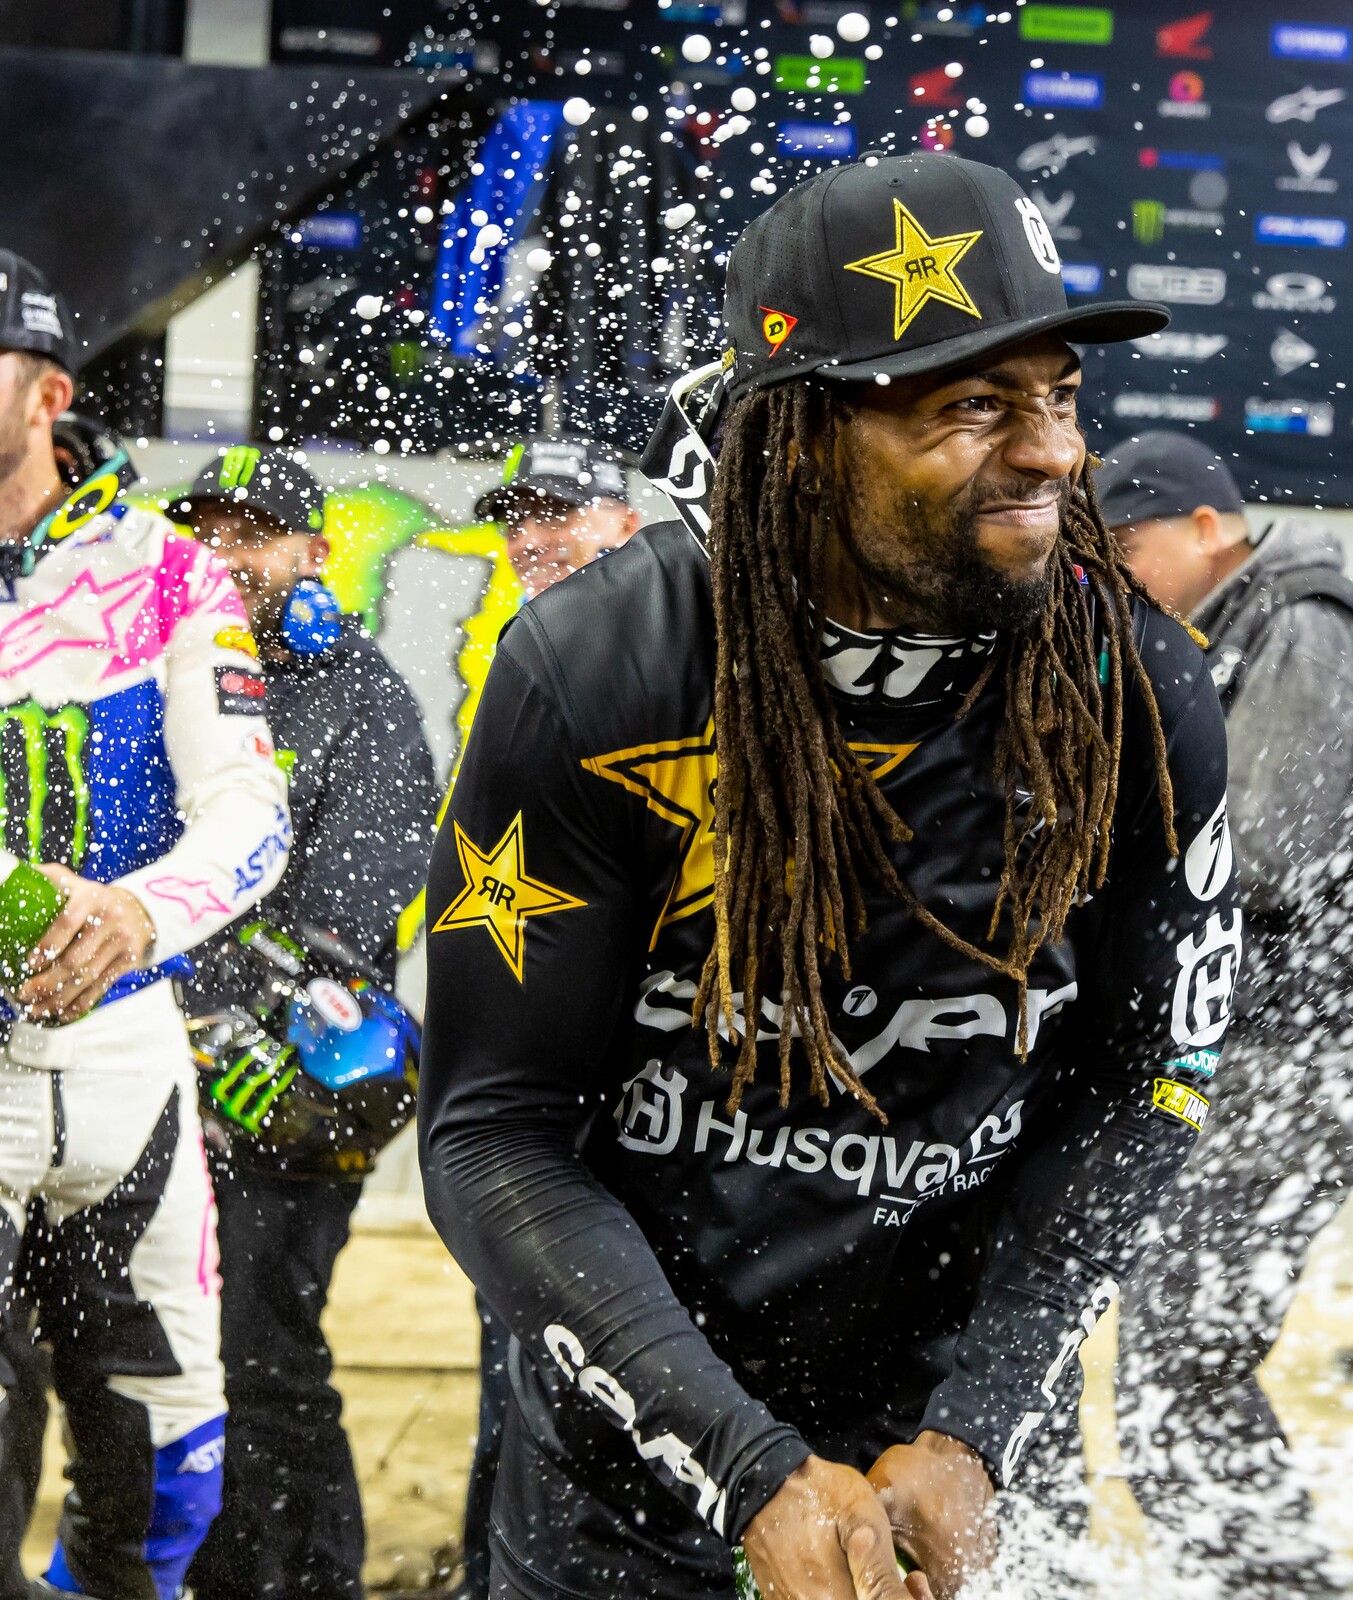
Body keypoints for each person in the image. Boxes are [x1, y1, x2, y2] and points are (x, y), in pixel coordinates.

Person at [418, 152, 1231, 1600]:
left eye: (1058, 396)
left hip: (945, 1475)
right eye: (972, 407)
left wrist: (980, 1427)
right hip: (634, 1465)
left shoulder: (1130, 695)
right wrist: (743, 1465)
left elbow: (1149, 1086)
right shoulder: (600, 675)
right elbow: (495, 1134)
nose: (1053, 453)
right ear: (799, 439)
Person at [0, 250, 291, 1598]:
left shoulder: (170, 574)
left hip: (129, 1059)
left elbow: (250, 813)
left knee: (170, 1475)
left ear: (49, 393)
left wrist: (136, 911)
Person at [1097, 431, 1353, 1590]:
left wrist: (1098, 858)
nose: (1117, 578)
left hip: (1312, 1052)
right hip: (1282, 1048)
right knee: (1175, 1364)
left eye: (1126, 550)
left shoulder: (1308, 625)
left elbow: (1270, 848)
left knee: (1178, 1367)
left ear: (1207, 528)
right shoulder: (1241, 627)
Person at [157, 446, 438, 1600]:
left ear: (314, 551)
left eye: (253, 534)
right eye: (208, 531)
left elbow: (346, 920)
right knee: (173, 1362)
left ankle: (307, 1583)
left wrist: (200, 996)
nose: (225, 555)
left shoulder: (365, 698)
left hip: (292, 1088)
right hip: (160, 1075)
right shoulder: (166, 672)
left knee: (262, 1356)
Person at [448, 431, 641, 1600]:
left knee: (611, 1371)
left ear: (628, 523)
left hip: (644, 1087)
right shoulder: (514, 655)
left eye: (561, 511)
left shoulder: (670, 653)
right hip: (533, 1081)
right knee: (515, 1358)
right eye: (519, 515)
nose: (533, 535)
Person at [479, 435, 641, 601]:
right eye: (513, 521)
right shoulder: (512, 615)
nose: (529, 542)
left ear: (625, 526)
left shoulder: (652, 613)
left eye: (556, 514)